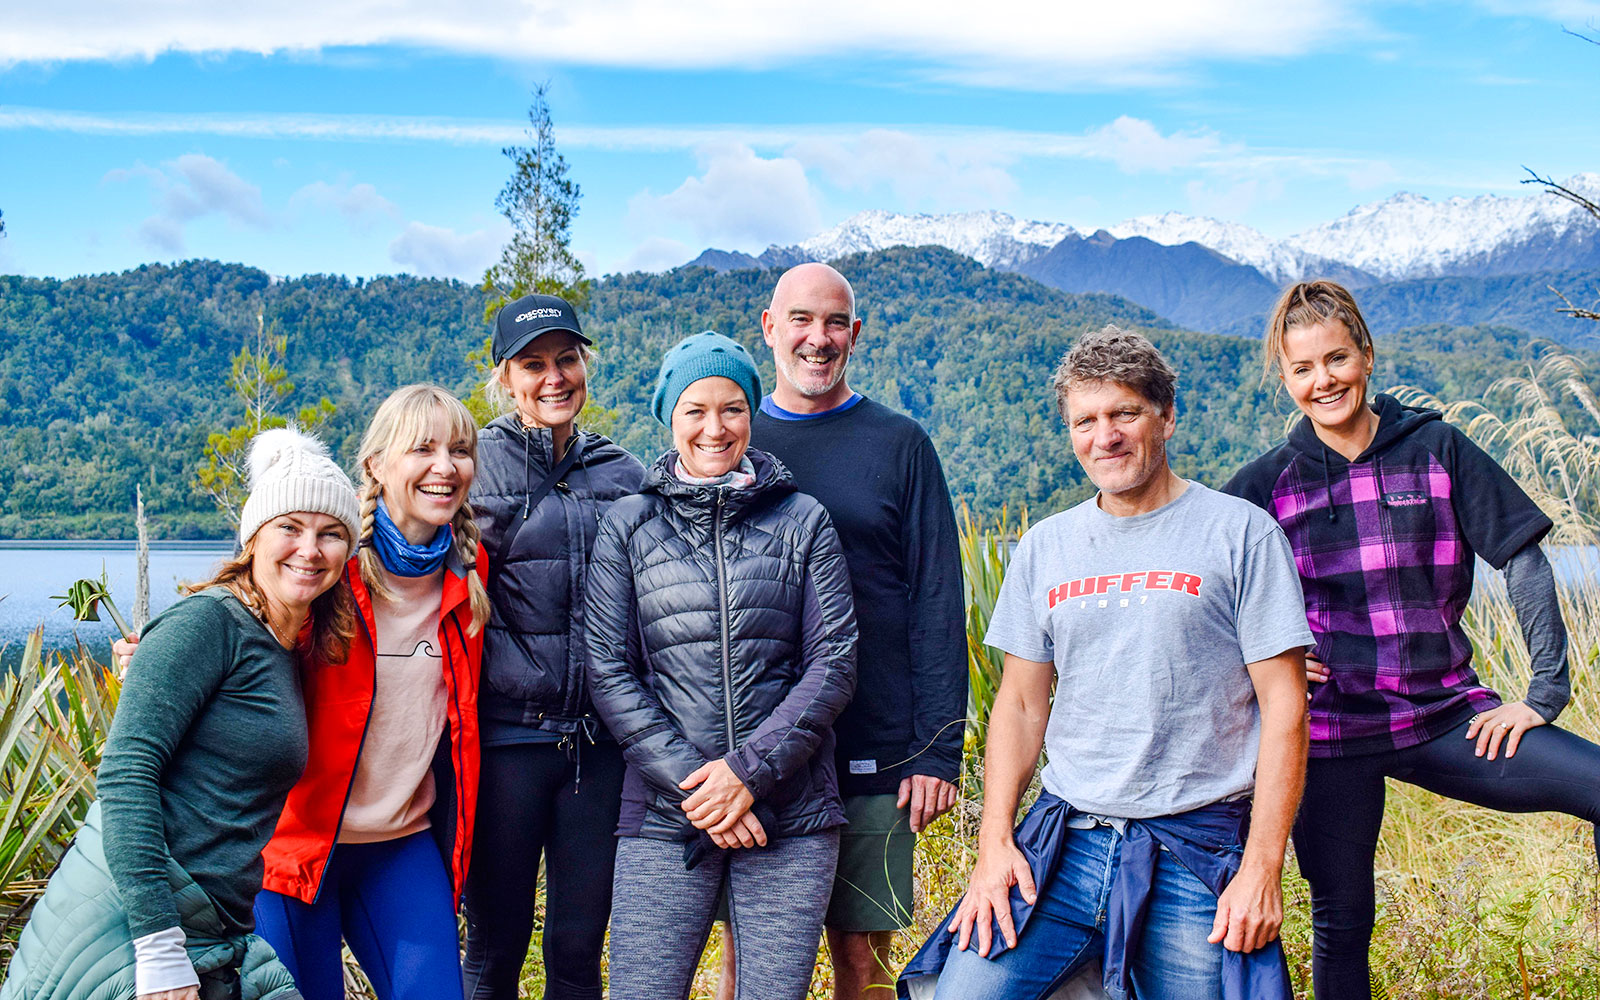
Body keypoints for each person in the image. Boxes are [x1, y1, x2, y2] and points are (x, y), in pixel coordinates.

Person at [900, 325, 1311, 1000]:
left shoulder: (1239, 533)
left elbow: (1286, 708)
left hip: (1193, 848)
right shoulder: (1045, 547)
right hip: (1063, 845)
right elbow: (1022, 704)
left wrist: (1262, 869)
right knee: (961, 993)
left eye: (1124, 413)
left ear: (1166, 416)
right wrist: (993, 844)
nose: (1105, 436)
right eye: (1085, 421)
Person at [1222, 280, 1600, 1000]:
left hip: (1447, 718)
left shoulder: (1437, 447)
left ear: (1365, 354)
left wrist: (1542, 695)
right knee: (1342, 919)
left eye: (1336, 359)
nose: (1323, 380)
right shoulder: (1266, 484)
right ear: (1284, 377)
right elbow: (1205, 597)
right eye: (1303, 369)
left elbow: (1521, 558)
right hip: (1328, 739)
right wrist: (1268, 662)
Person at [1, 427, 360, 1000]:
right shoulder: (209, 623)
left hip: (215, 924)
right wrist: (159, 950)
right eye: (289, 527)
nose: (310, 549)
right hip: (145, 925)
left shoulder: (284, 641)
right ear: (254, 537)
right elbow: (124, 776)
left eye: (331, 533)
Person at [585, 331, 859, 1000]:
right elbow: (608, 669)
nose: (715, 427)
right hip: (661, 811)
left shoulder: (803, 521)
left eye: (732, 407)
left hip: (790, 815)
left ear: (753, 412)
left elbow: (834, 664)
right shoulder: (628, 524)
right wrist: (702, 789)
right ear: (669, 418)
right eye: (695, 410)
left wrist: (748, 773)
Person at [721, 261, 967, 1000]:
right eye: (801, 319)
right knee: (751, 966)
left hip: (877, 747)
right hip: (758, 749)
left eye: (834, 323)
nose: (817, 339)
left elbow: (936, 600)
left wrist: (937, 753)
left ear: (854, 334)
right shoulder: (731, 435)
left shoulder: (900, 444)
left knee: (864, 961)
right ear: (769, 328)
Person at [243, 384, 489, 1000]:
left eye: (459, 449)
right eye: (422, 449)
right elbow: (235, 624)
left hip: (401, 845)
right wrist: (154, 653)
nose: (444, 466)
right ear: (376, 464)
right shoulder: (326, 567)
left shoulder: (471, 569)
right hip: (297, 848)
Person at [461, 293, 645, 1000]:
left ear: (584, 366)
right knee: (495, 945)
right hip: (508, 744)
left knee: (575, 947)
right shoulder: (475, 465)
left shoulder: (625, 475)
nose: (553, 378)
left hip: (597, 753)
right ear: (505, 377)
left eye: (566, 360)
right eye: (532, 364)